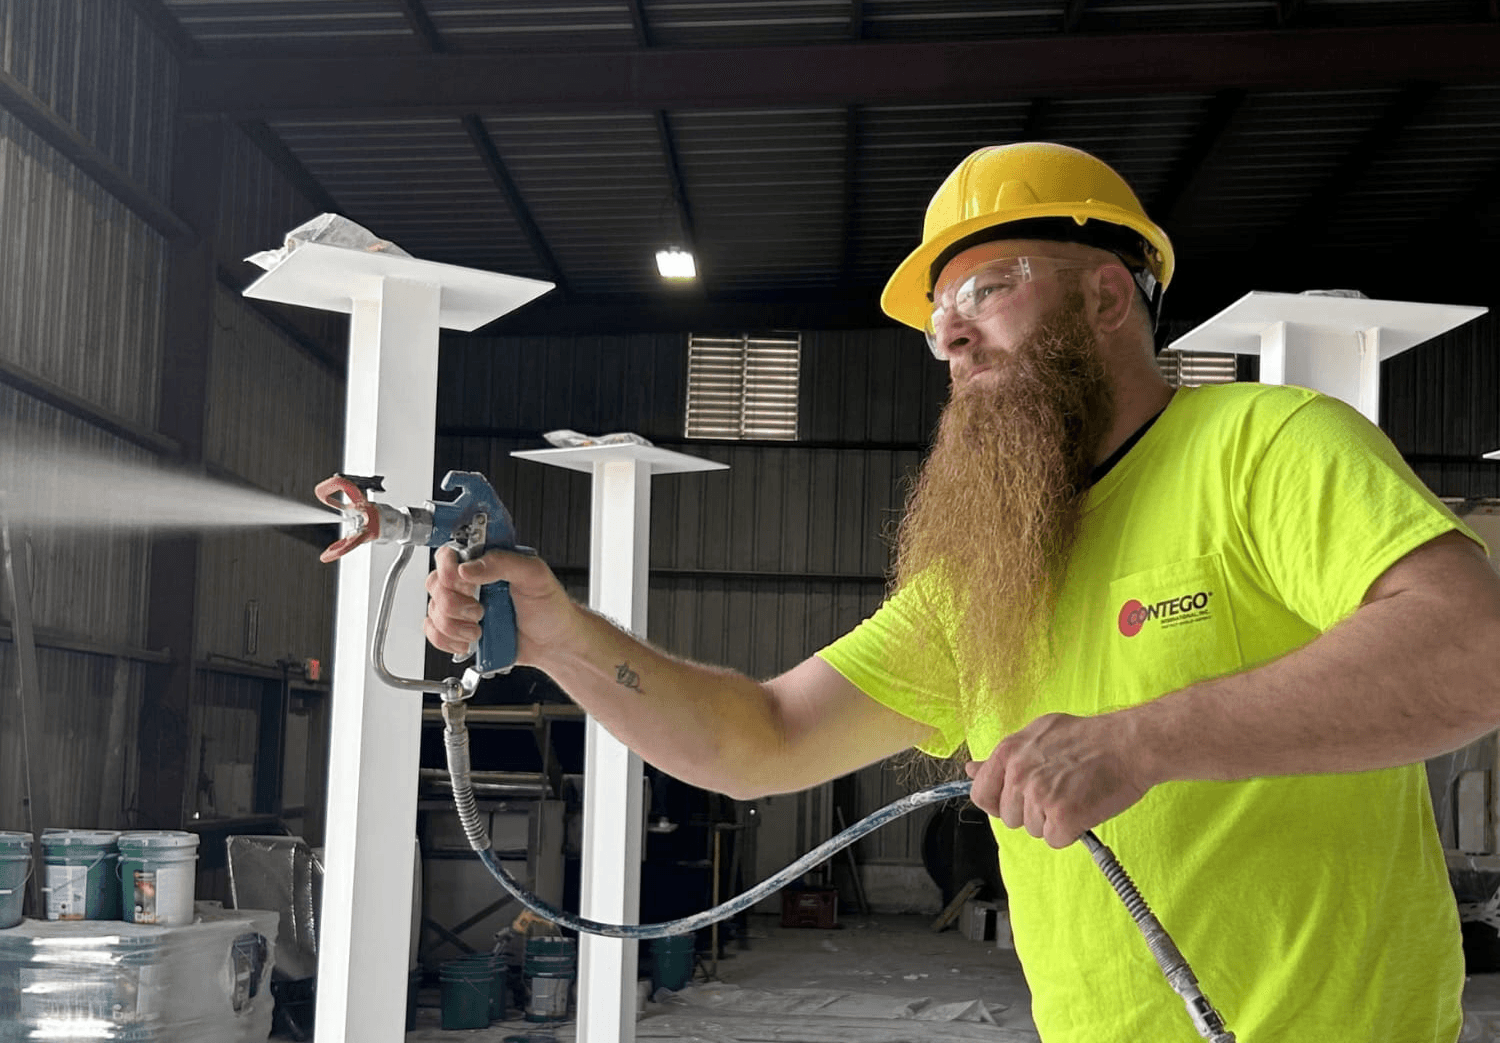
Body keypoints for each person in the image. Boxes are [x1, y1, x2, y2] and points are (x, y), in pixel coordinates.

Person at [426, 142, 1500, 1042]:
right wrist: (562, 635)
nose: (948, 330)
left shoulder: (1265, 445)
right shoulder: (988, 575)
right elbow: (754, 736)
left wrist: (1141, 739)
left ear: (1106, 291)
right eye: (938, 310)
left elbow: (1471, 651)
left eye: (987, 286)